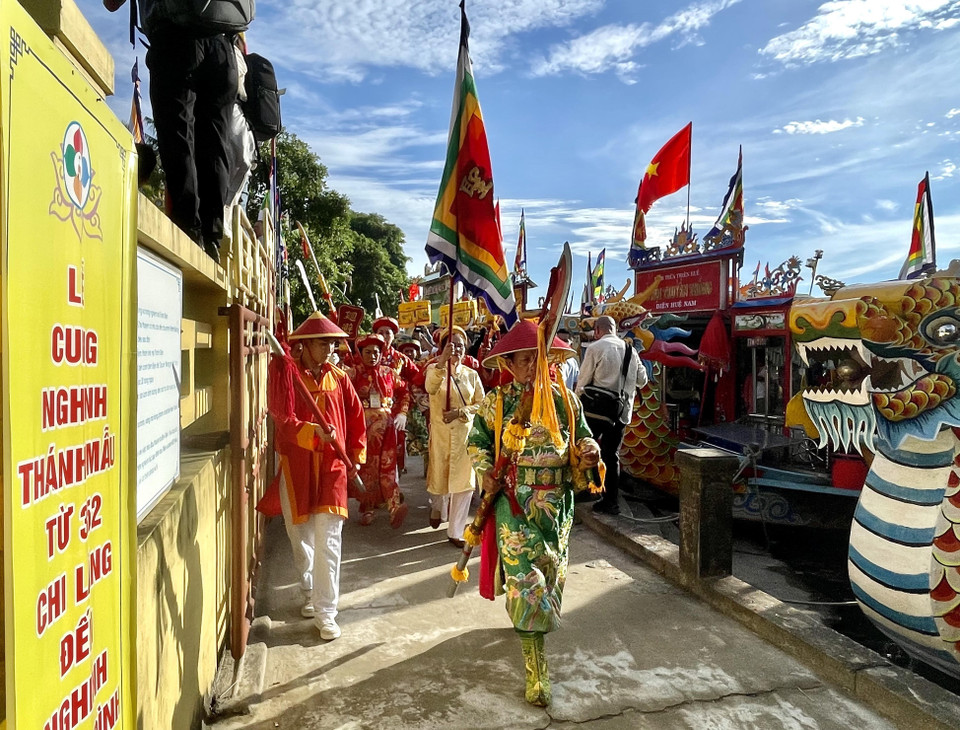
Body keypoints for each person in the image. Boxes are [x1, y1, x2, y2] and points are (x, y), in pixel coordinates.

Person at [468, 319, 601, 706]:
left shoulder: (566, 400)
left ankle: (533, 634)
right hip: (514, 504)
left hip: (556, 505)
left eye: (536, 359)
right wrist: (483, 471)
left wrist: (589, 451)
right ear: (509, 364)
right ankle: (536, 671)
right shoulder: (497, 402)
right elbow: (476, 442)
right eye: (523, 361)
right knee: (528, 584)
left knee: (551, 575)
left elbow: (585, 436)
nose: (530, 367)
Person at [103, 0, 242, 263]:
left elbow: (111, 3)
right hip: (224, 48)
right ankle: (212, 242)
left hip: (176, 37)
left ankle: (188, 233)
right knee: (215, 147)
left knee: (177, 136)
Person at [261, 312, 366, 641]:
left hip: (333, 468)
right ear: (304, 346)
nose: (329, 348)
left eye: (333, 343)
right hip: (297, 467)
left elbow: (356, 415)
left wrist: (357, 456)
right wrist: (313, 432)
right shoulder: (285, 375)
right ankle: (307, 587)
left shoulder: (339, 377)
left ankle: (326, 611)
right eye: (323, 343)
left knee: (329, 541)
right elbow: (282, 418)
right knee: (301, 537)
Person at [576, 315, 645, 516]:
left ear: (597, 330)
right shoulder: (631, 351)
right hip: (620, 414)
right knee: (611, 455)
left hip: (595, 411)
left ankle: (586, 490)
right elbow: (642, 380)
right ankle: (611, 502)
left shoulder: (595, 348)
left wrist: (577, 402)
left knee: (585, 448)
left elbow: (583, 381)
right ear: (614, 329)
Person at [423, 327, 484, 546]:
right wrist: (441, 363)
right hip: (440, 435)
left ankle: (456, 531)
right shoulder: (433, 369)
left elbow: (481, 404)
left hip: (464, 436)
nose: (456, 348)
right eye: (452, 344)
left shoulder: (471, 375)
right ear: (442, 348)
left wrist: (460, 412)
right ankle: (437, 507)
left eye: (460, 344)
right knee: (439, 478)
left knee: (463, 484)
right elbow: (430, 387)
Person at [346, 334, 409, 529]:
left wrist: (403, 413)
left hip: (388, 429)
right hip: (362, 429)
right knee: (366, 469)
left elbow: (404, 392)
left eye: (376, 352)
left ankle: (393, 507)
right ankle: (367, 507)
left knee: (388, 467)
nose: (372, 356)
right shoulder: (353, 373)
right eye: (368, 352)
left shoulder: (389, 373)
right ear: (360, 353)